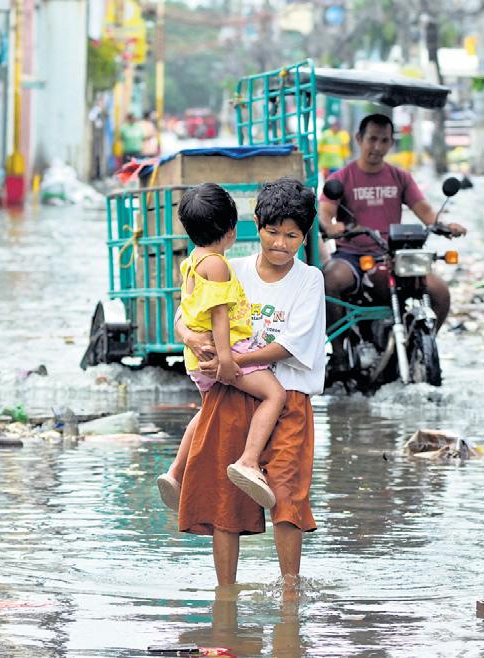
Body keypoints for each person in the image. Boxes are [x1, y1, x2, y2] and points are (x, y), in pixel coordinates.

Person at [174, 177, 325, 588]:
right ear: (255, 225)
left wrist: (232, 362)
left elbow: (292, 345)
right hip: (232, 393)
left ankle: (290, 591)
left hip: (288, 395)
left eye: (291, 236)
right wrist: (194, 341)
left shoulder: (309, 280)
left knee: (286, 494)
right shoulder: (228, 267)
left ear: (305, 236)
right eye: (272, 232)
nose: (280, 243)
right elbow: (185, 315)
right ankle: (226, 592)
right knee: (227, 500)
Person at [156, 183, 287, 510]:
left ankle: (175, 472)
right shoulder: (217, 265)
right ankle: (249, 460)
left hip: (196, 359)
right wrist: (228, 363)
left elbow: (186, 310)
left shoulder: (192, 261)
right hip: (222, 354)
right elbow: (219, 317)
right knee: (275, 395)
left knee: (206, 413)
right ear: (231, 230)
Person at [318, 113, 467, 362]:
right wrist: (330, 226)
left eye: (384, 140)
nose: (378, 147)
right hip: (353, 256)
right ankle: (341, 352)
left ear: (390, 143)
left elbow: (426, 212)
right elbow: (325, 211)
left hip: (392, 256)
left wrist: (444, 226)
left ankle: (419, 346)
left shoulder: (401, 177)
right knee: (330, 279)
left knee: (440, 292)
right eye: (372, 139)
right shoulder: (341, 178)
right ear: (359, 139)